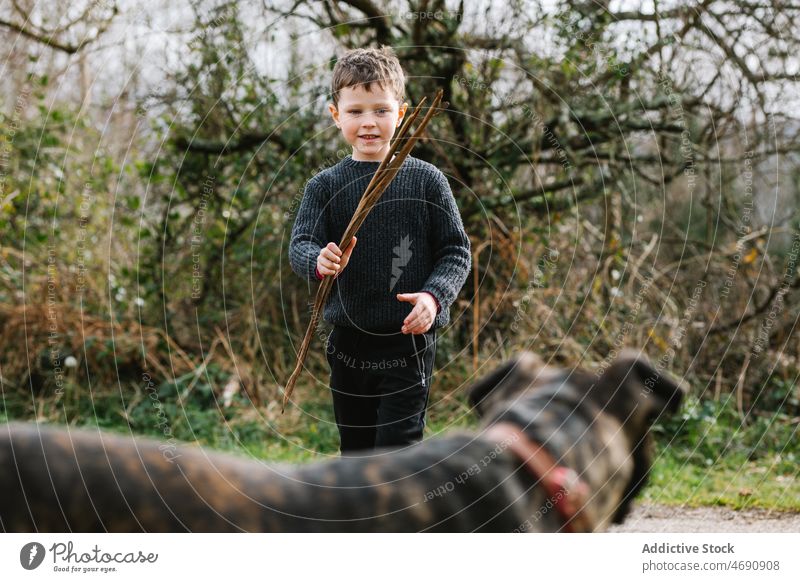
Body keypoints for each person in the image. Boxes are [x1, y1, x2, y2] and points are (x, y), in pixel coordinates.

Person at [288, 46, 471, 454]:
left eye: (381, 110)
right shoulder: (325, 186)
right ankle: (359, 519)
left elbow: (456, 251)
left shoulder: (427, 181)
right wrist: (318, 260)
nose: (368, 122)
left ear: (401, 113)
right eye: (355, 112)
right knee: (355, 453)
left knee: (396, 453)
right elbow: (300, 244)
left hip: (407, 340)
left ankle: (397, 519)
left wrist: (433, 297)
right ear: (336, 115)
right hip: (347, 341)